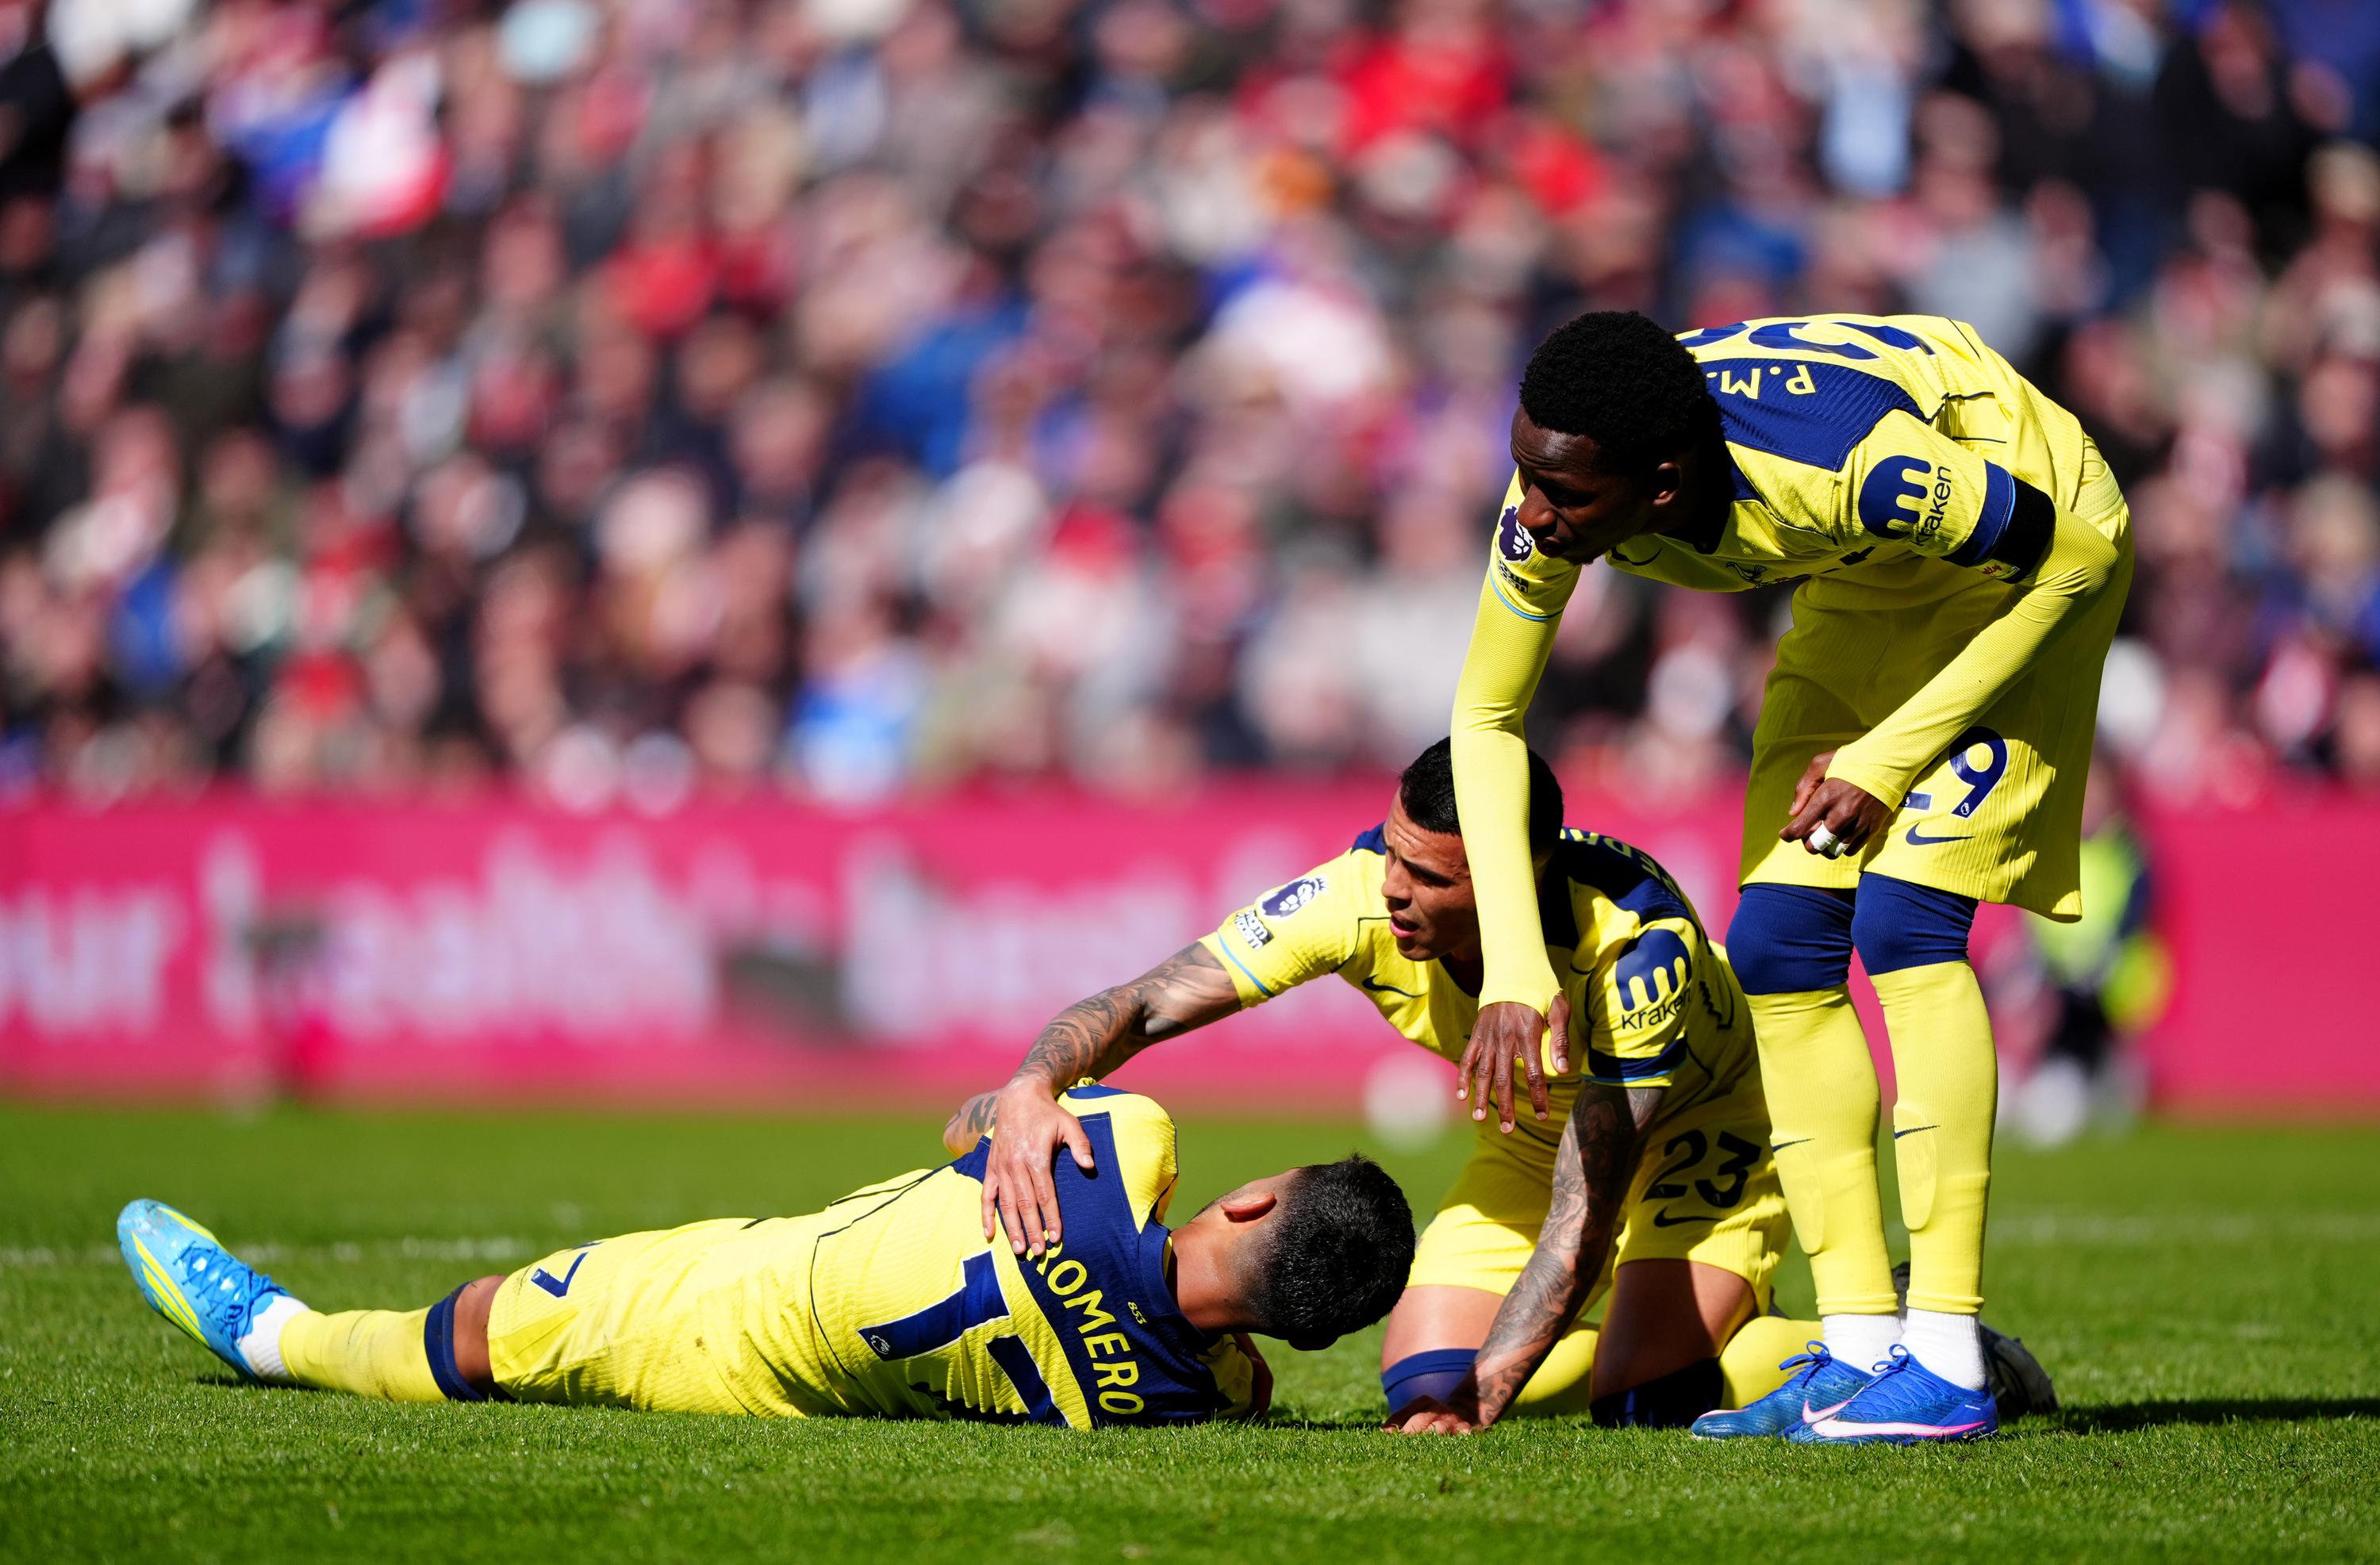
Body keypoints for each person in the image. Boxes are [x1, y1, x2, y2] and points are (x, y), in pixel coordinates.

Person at [1451, 311, 2129, 1443]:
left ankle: (1949, 1359)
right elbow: (1484, 719)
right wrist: (1518, 966)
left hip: (2022, 560)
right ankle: (1857, 1353)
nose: (1530, 514)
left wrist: (1890, 756)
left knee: (1908, 923)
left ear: (1662, 488)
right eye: (1522, 477)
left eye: (1561, 495)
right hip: (1866, 585)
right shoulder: (1566, 476)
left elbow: (2078, 557)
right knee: (1773, 948)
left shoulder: (1853, 464)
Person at [952, 738, 1824, 1430]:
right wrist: (1035, 1084)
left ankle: (1848, 1346)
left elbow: (1585, 1204)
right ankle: (1667, 1319)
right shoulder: (1357, 892)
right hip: (1529, 1143)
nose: (1394, 892)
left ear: (1520, 882)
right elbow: (1148, 1003)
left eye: (1432, 877)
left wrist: (1490, 1394)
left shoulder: (1635, 950)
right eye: (1394, 856)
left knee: (1641, 1396)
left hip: (1693, 1137)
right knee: (1427, 1384)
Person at [117, 1087, 1413, 1429]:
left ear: (1249, 1199)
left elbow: (971, 1128)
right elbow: (1227, 1368)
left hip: (724, 1292)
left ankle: (269, 1334)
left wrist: (1006, 1112)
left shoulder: (1119, 1148)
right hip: (777, 1390)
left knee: (470, 1326)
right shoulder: (1205, 1400)